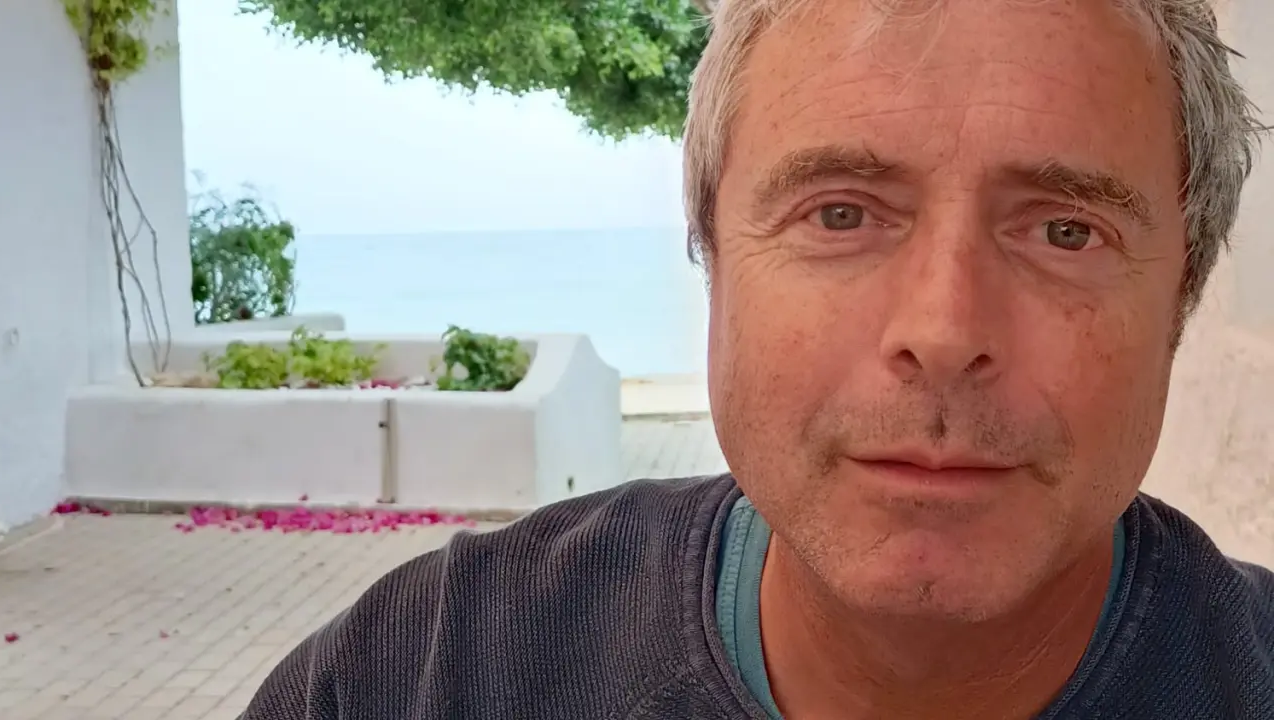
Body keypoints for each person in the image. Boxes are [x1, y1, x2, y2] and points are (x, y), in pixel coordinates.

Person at [242, 0, 1271, 717]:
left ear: (1178, 301)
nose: (945, 329)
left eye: (1063, 232)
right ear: (713, 256)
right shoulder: (426, 676)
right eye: (840, 214)